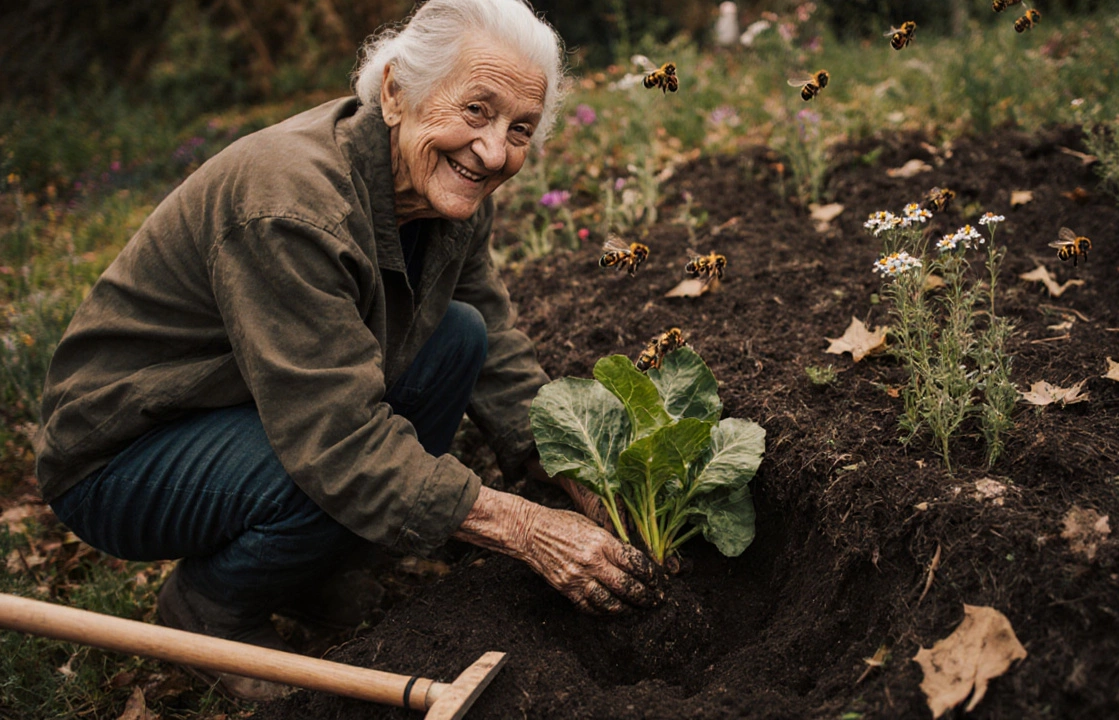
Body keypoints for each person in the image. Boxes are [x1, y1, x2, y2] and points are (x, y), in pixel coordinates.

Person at [34, 0, 661, 701]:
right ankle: (211, 608)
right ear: (396, 92)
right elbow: (339, 440)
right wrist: (525, 526)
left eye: (519, 129)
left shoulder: (445, 191)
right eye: (477, 111)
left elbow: (497, 347)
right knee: (334, 468)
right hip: (125, 449)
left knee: (462, 336)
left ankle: (306, 565)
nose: (493, 152)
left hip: (246, 404)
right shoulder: (291, 205)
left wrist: (575, 469)